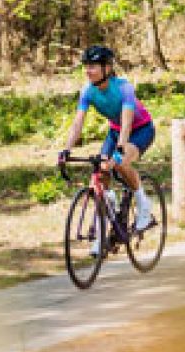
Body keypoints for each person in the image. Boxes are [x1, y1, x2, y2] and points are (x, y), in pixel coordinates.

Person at [57, 45, 156, 241]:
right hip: (116, 131)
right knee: (101, 172)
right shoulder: (87, 91)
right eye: (86, 66)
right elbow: (78, 123)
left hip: (140, 130)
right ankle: (108, 216)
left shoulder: (123, 88)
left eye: (93, 66)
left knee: (119, 163)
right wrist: (66, 150)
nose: (88, 71)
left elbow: (127, 122)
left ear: (107, 68)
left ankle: (143, 204)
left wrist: (119, 150)